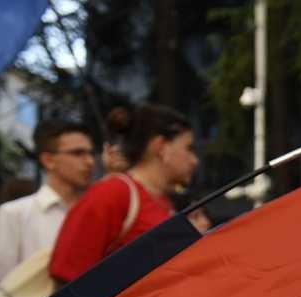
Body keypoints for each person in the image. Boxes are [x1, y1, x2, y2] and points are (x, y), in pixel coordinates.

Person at [49, 104, 196, 284]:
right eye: (188, 148)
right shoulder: (113, 192)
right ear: (160, 146)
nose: (194, 160)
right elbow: (66, 279)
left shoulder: (163, 201)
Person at [0, 119, 95, 294]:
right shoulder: (13, 213)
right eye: (78, 153)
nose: (89, 162)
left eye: (90, 153)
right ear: (49, 160)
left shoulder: (97, 214)